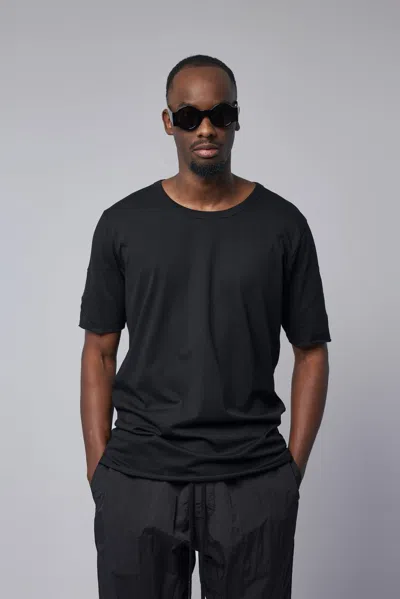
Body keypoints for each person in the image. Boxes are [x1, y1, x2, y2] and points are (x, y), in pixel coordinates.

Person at [79, 54, 331, 599]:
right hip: (139, 479)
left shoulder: (283, 225)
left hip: (252, 480)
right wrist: (100, 471)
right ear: (168, 122)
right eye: (190, 116)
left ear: (238, 117)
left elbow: (311, 351)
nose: (207, 129)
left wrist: (290, 473)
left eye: (221, 113)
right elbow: (99, 350)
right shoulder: (122, 224)